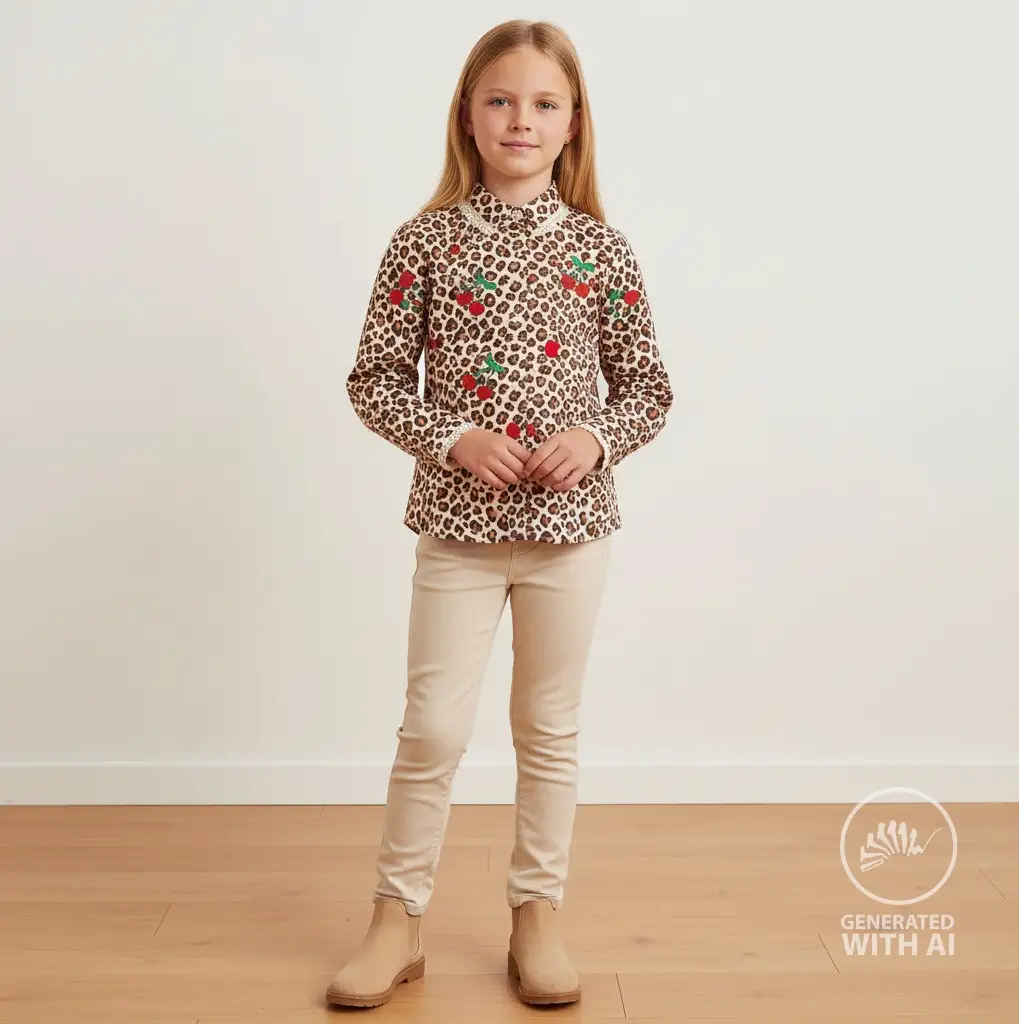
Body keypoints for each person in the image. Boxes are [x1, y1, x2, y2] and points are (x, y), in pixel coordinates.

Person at [325, 17, 673, 1010]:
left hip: (570, 538)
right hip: (458, 534)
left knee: (547, 728)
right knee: (433, 730)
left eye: (544, 103)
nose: (522, 118)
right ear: (469, 117)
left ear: (572, 124)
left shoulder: (602, 251)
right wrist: (452, 438)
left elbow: (647, 389)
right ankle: (396, 919)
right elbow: (373, 380)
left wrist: (596, 437)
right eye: (501, 99)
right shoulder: (423, 243)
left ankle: (537, 915)